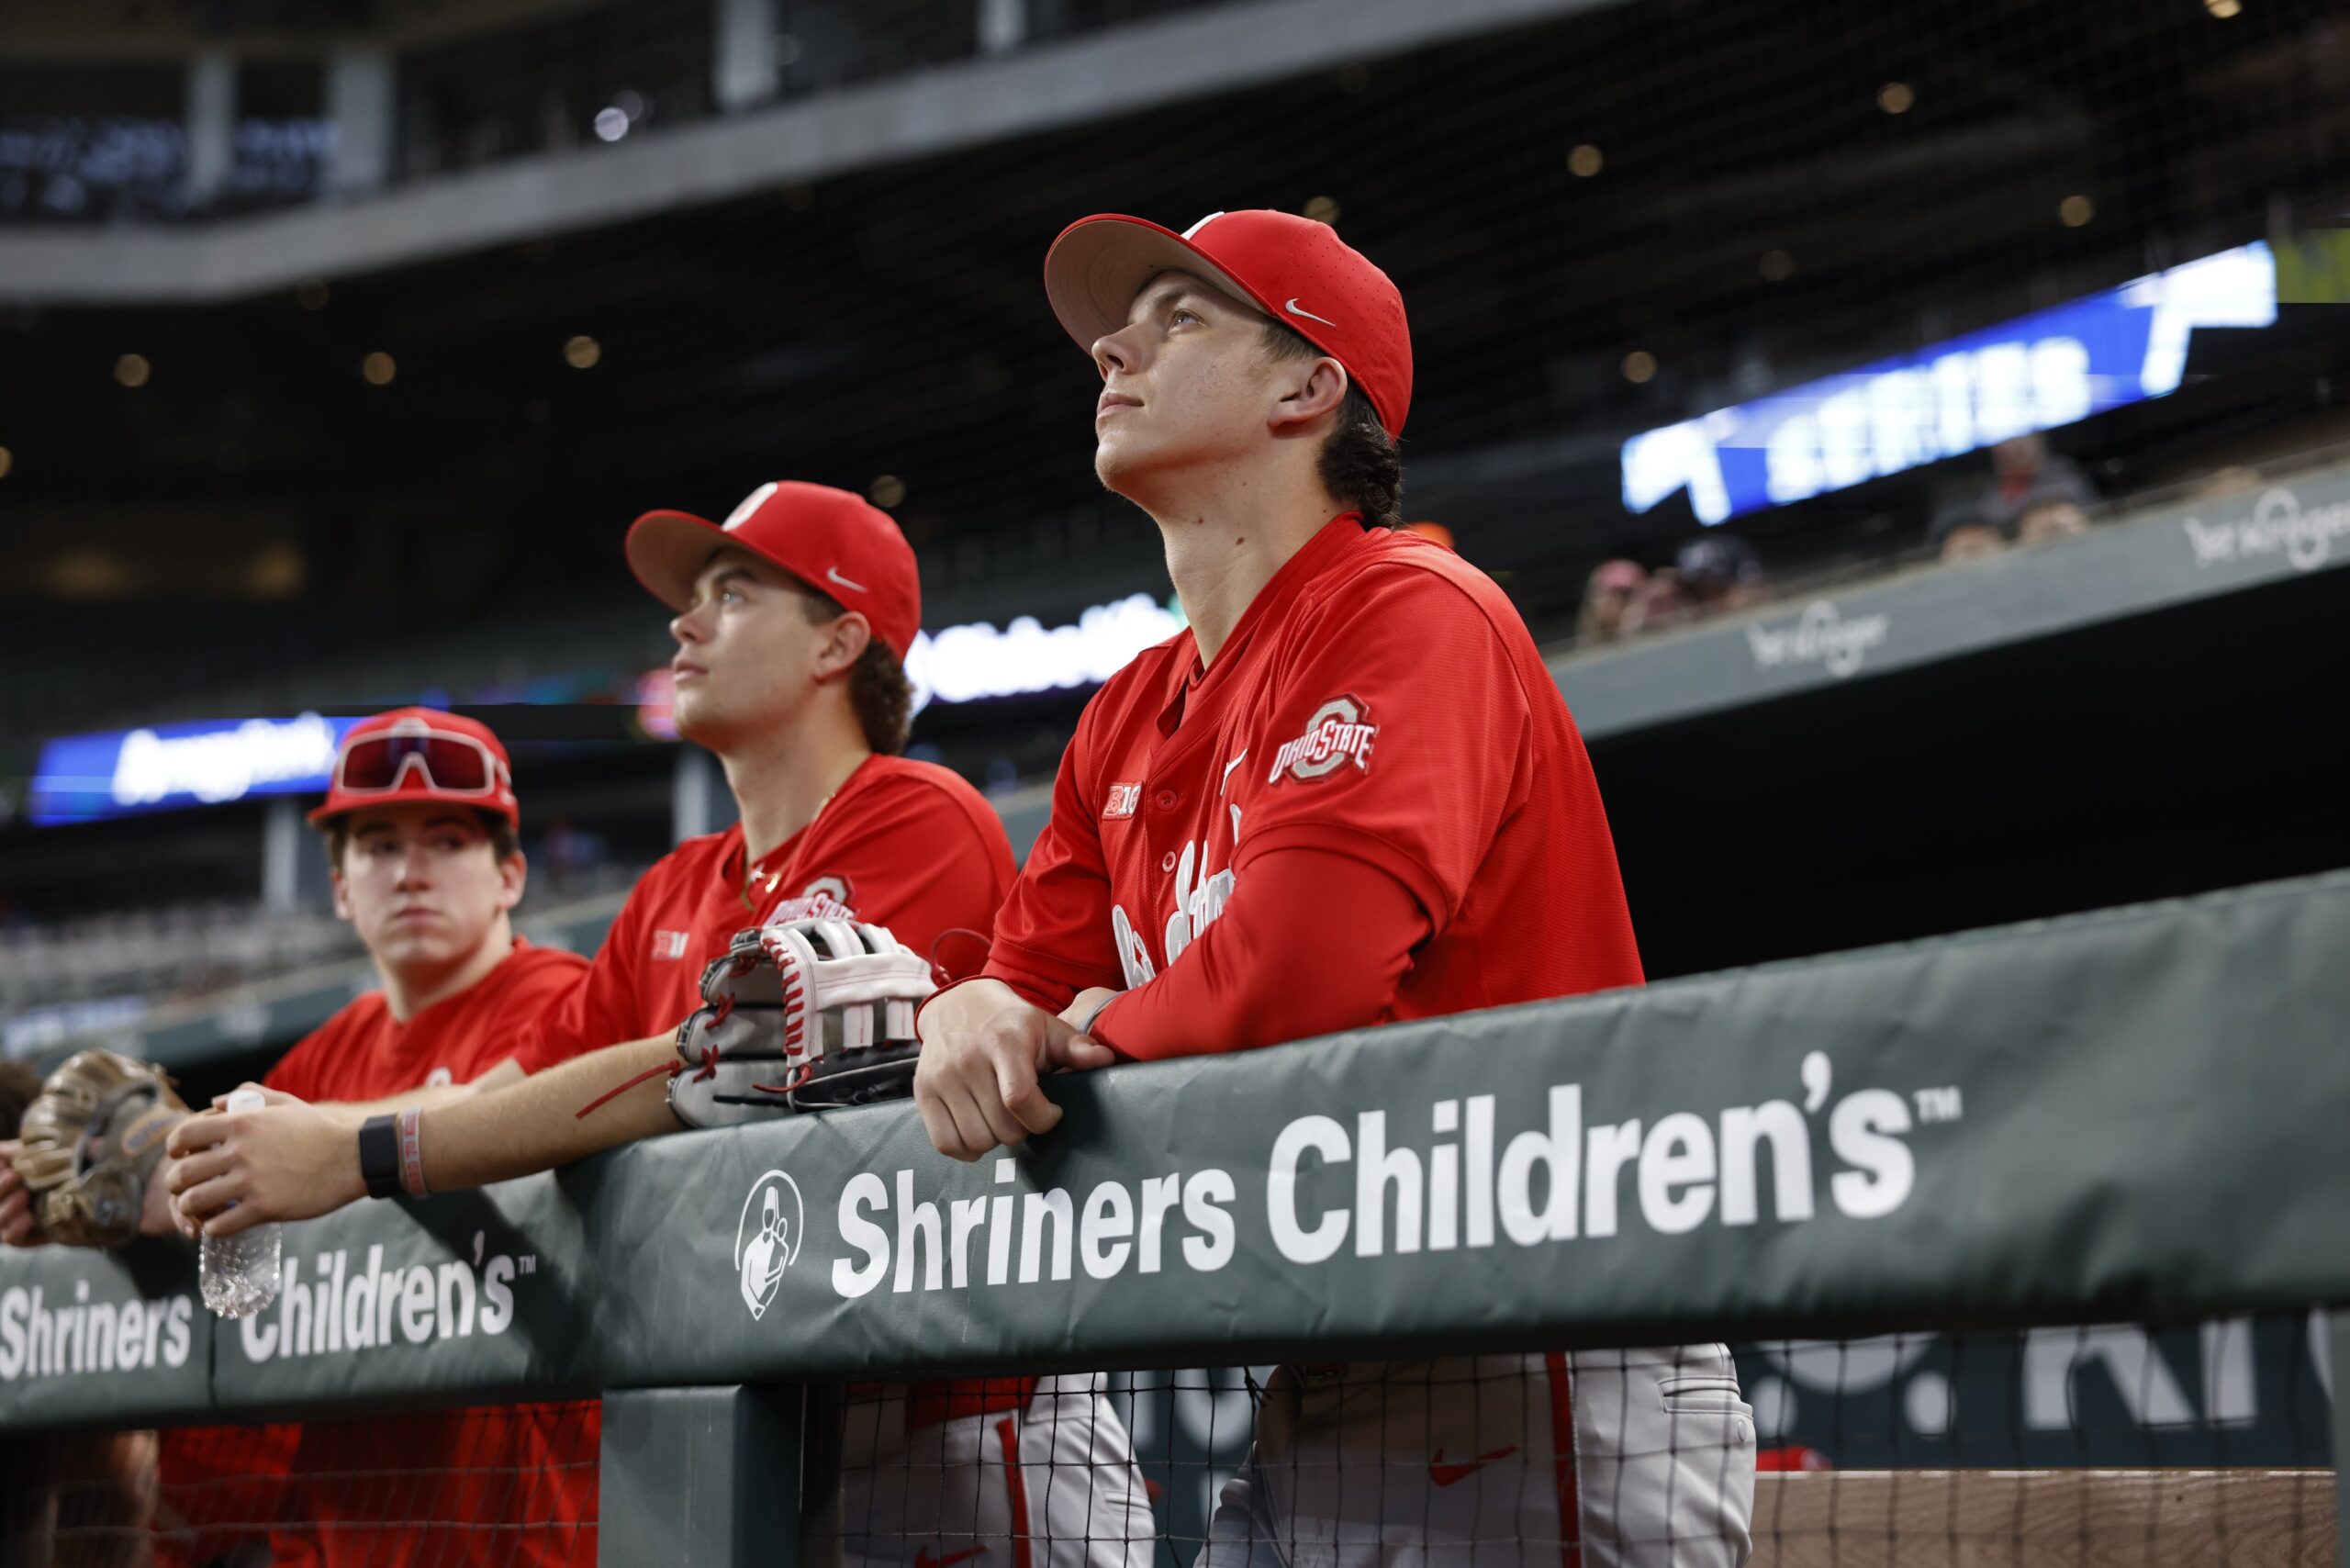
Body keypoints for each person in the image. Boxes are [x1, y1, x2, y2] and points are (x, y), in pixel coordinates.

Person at [912, 208, 1756, 1565]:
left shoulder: (1412, 610)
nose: (1116, 345)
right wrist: (971, 1014)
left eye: (1182, 317)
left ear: (1310, 388)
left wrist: (1072, 1034)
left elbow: (1299, 976)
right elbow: (1015, 994)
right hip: (1319, 1366)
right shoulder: (1125, 714)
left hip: (1529, 1341)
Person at [166, 481, 1157, 1568]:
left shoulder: (914, 812)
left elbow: (701, 1070)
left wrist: (355, 1152)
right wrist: (291, 1140)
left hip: (955, 1421)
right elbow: (511, 1095)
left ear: (840, 640)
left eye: (731, 593)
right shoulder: (673, 886)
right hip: (764, 1429)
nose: (683, 622)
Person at [0, 708, 599, 1565]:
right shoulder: (319, 1061)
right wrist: (65, 1210)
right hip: (351, 1531)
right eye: (379, 846)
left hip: (515, 1520)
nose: (411, 872)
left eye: (447, 841)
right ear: (342, 888)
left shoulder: (562, 1004)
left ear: (510, 876)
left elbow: (501, 1115)